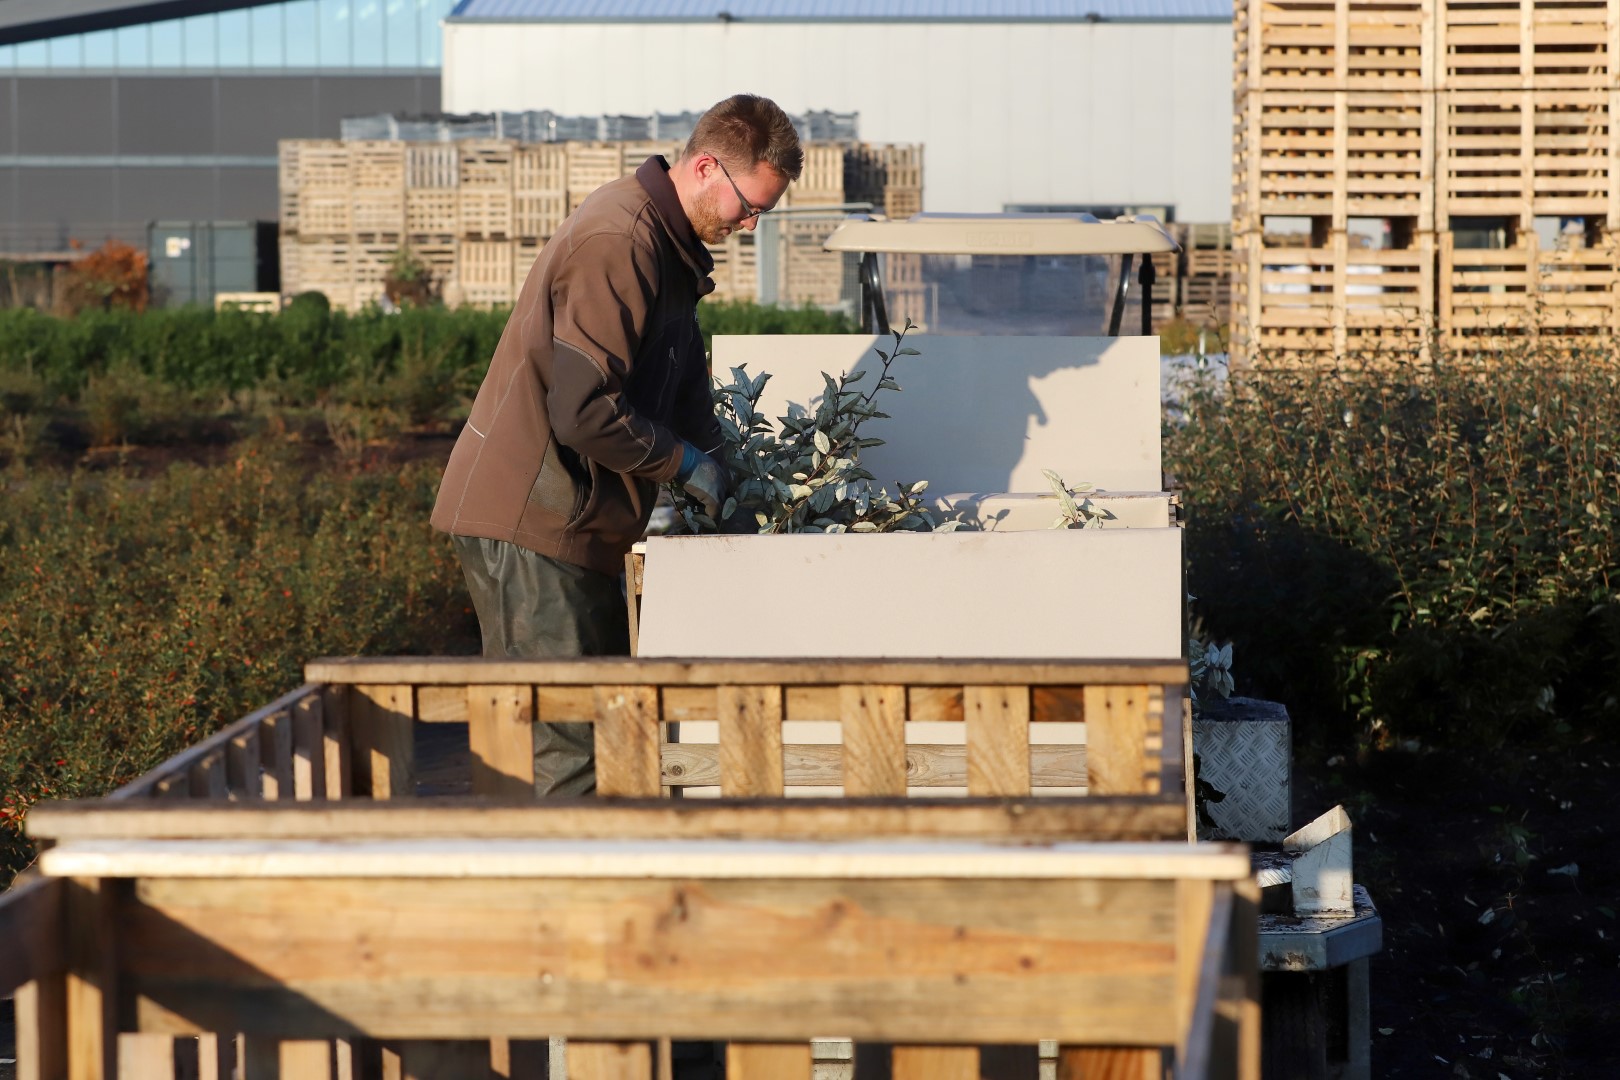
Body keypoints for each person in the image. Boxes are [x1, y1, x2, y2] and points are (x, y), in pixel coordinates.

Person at [432, 94, 802, 796]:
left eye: (763, 213)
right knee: (563, 761)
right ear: (703, 168)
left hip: (574, 521)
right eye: (748, 206)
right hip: (534, 523)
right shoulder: (621, 242)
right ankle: (558, 904)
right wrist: (683, 465)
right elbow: (582, 411)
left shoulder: (670, 255)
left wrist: (725, 471)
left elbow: (684, 385)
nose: (750, 224)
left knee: (587, 740)